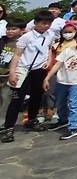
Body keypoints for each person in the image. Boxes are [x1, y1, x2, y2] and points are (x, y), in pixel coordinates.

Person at [1, 11, 55, 143]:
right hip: (24, 69)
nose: (46, 26)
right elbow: (17, 55)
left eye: (48, 23)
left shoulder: (50, 34)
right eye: (43, 23)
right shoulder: (27, 37)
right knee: (16, 99)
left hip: (39, 70)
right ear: (35, 23)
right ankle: (8, 127)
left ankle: (32, 120)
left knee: (37, 96)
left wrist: (48, 60)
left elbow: (48, 48)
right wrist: (13, 72)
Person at [42, 29, 77, 140]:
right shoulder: (67, 51)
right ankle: (63, 120)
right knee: (60, 102)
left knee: (73, 104)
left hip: (75, 83)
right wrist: (47, 77)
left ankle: (73, 127)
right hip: (62, 81)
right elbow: (58, 64)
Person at [0, 21, 25, 124]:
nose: (10, 31)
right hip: (1, 72)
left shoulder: (21, 43)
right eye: (8, 29)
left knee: (5, 98)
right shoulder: (3, 41)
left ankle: (2, 122)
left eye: (13, 29)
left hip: (9, 74)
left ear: (22, 30)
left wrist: (13, 72)